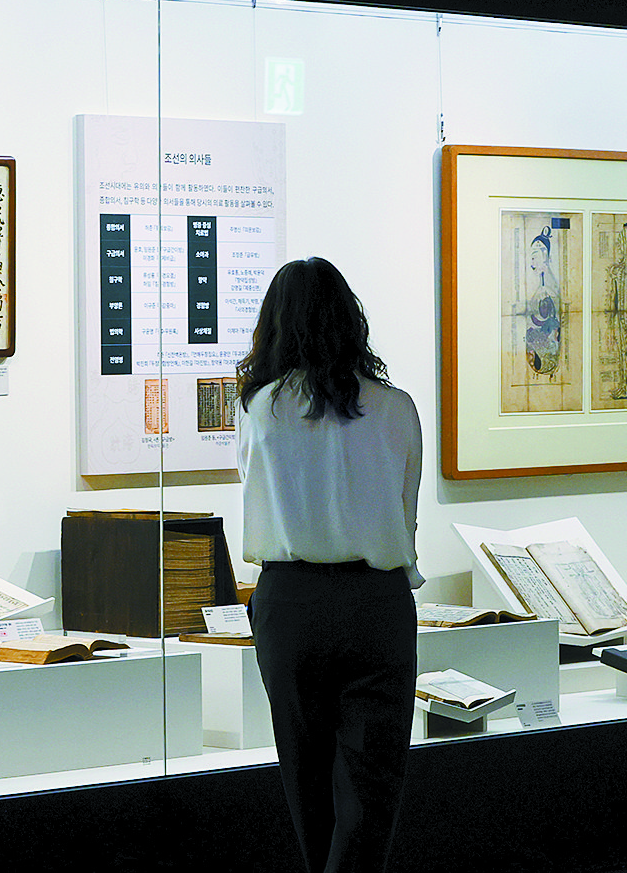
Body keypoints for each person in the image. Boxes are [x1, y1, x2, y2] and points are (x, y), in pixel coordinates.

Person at [236, 257, 423, 873]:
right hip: (376, 604)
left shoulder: (261, 409)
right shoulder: (395, 409)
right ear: (351, 320)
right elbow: (405, 516)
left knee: (306, 781)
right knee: (372, 794)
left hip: (289, 603)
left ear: (275, 325)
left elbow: (254, 493)